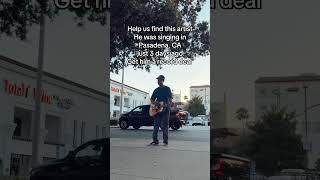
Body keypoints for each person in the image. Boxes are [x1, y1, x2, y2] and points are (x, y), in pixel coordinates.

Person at [150, 75, 172, 146]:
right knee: (156, 125)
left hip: (166, 109)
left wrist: (167, 104)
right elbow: (152, 99)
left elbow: (170, 99)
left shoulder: (167, 89)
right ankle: (155, 140)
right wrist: (155, 103)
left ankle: (165, 141)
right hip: (157, 109)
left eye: (160, 80)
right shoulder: (156, 90)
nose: (158, 81)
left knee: (165, 125)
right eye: (158, 80)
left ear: (163, 80)